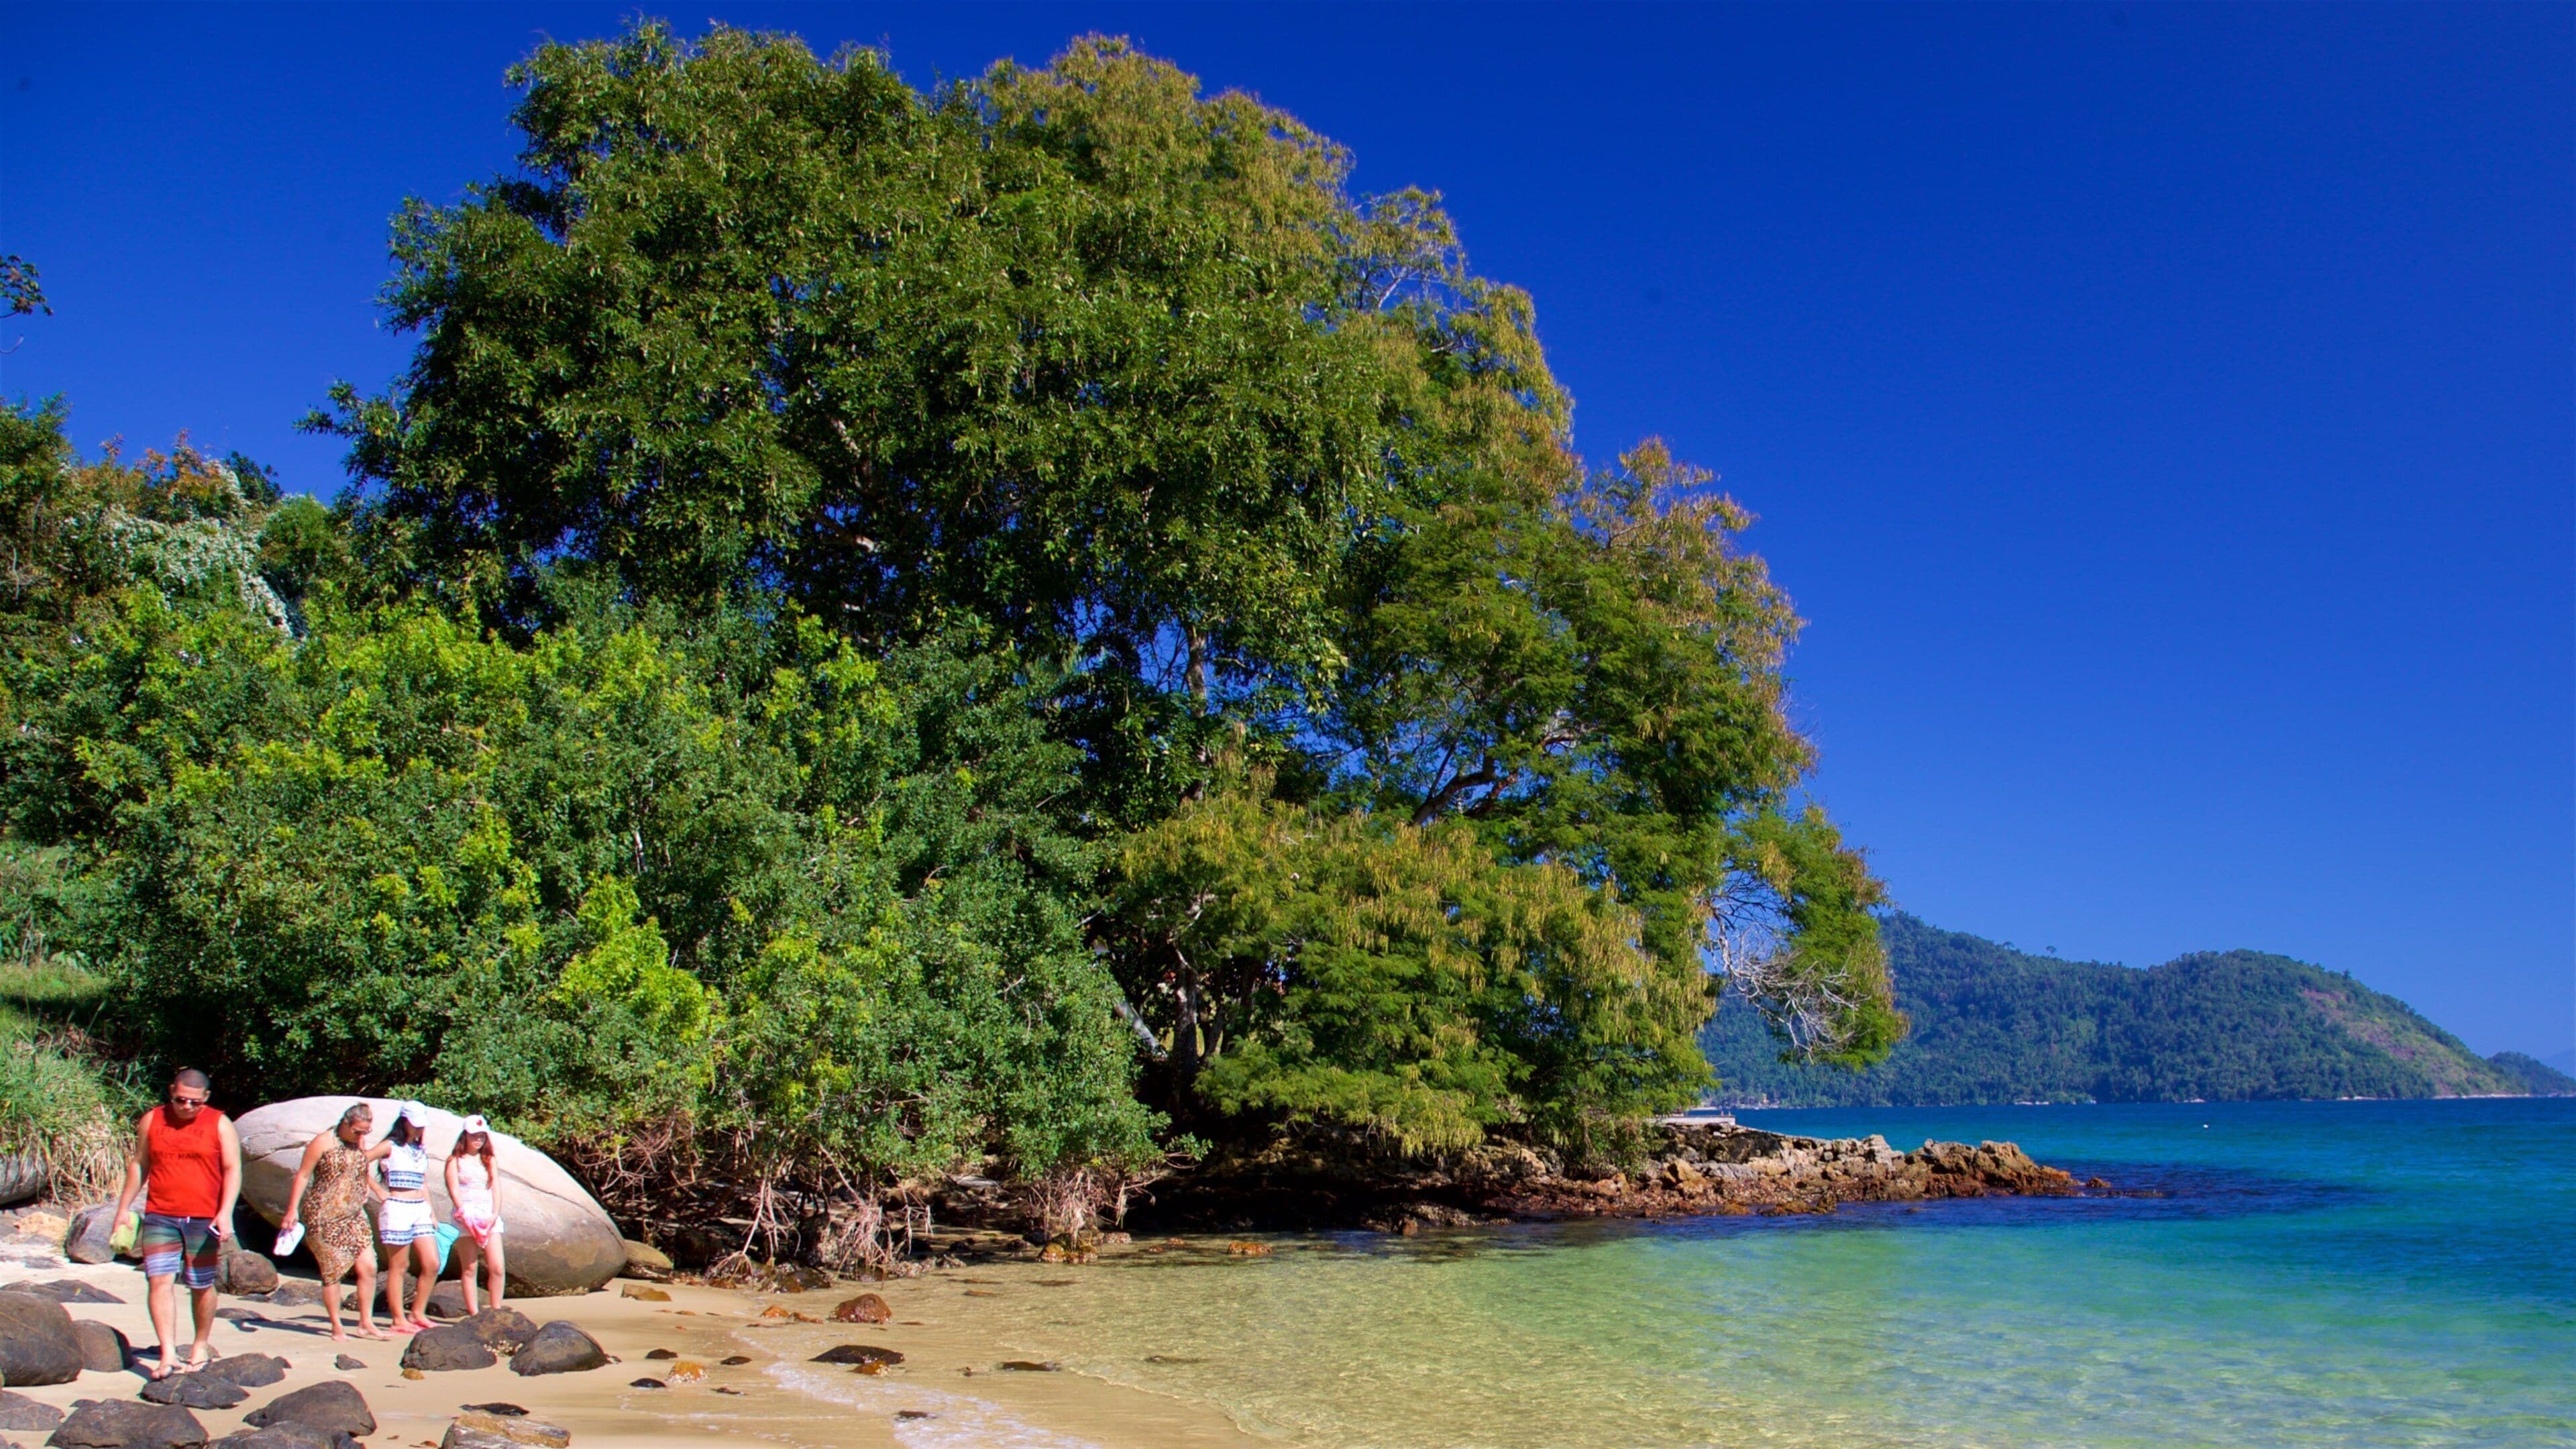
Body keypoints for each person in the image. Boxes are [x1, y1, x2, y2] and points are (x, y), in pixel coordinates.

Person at [109, 1067, 243, 1379]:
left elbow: (233, 1169)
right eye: (181, 1100)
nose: (187, 1107)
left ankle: (200, 1344)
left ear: (206, 1098)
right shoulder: (152, 1120)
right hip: (160, 1215)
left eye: (194, 1102)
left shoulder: (219, 1124)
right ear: (171, 1091)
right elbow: (139, 1165)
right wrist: (123, 1208)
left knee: (201, 1284)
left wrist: (226, 1213)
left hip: (204, 1217)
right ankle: (167, 1353)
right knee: (159, 1280)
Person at [276, 1102, 392, 1340]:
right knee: (333, 1271)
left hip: (353, 1214)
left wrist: (378, 1191)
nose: (361, 1137)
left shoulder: (357, 1142)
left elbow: (359, 1170)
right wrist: (291, 1210)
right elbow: (304, 1175)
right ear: (345, 1123)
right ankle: (336, 1326)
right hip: (323, 1215)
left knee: (369, 1266)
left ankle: (365, 1323)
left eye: (365, 1133)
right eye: (357, 1131)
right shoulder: (323, 1142)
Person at [375, 1103, 441, 1334]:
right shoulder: (390, 1146)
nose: (420, 1129)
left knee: (433, 1263)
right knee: (400, 1265)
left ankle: (417, 1312)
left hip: (419, 1207)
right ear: (405, 1122)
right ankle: (398, 1319)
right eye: (416, 1125)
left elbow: (423, 1182)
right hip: (398, 1206)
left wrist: (431, 1211)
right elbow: (360, 1162)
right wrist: (378, 1191)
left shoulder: (419, 1149)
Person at [443, 1114, 507, 1313]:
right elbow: (453, 1189)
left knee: (497, 1267)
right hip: (466, 1216)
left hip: (488, 1214)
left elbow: (495, 1187)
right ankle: (474, 1313)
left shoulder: (489, 1159)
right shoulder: (455, 1160)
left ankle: (496, 1309)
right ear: (465, 1136)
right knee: (470, 1268)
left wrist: (495, 1214)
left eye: (481, 1136)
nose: (477, 1140)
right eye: (473, 1136)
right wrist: (464, 1212)